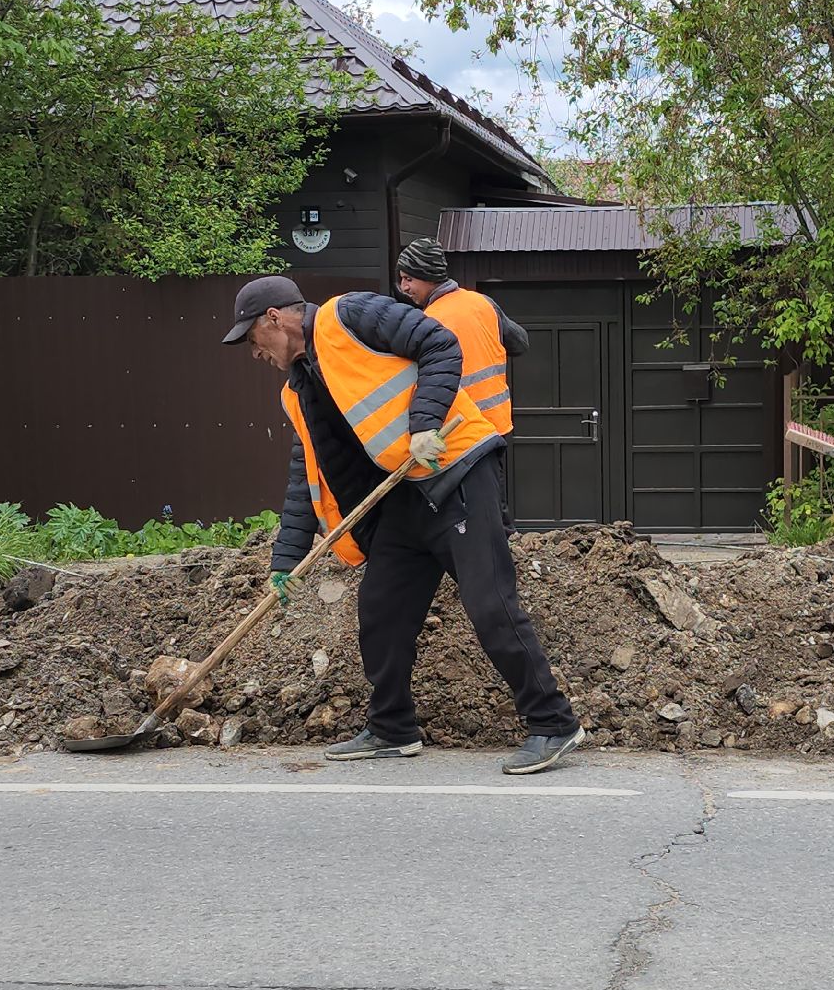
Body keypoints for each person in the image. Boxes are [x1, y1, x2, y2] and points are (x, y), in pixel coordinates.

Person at [221, 275, 584, 775]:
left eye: (252, 338)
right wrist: (285, 560)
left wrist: (424, 426)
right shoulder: (300, 389)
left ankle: (553, 723)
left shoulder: (349, 314)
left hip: (454, 471)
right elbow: (305, 473)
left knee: (490, 604)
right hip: (402, 500)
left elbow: (440, 343)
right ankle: (392, 728)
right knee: (381, 610)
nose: (253, 352)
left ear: (274, 319)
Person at [394, 237, 525, 530]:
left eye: (408, 279)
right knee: (492, 503)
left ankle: (494, 565)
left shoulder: (428, 321)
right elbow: (519, 343)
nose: (404, 288)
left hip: (462, 431)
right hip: (498, 423)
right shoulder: (482, 303)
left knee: (475, 513)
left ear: (428, 276)